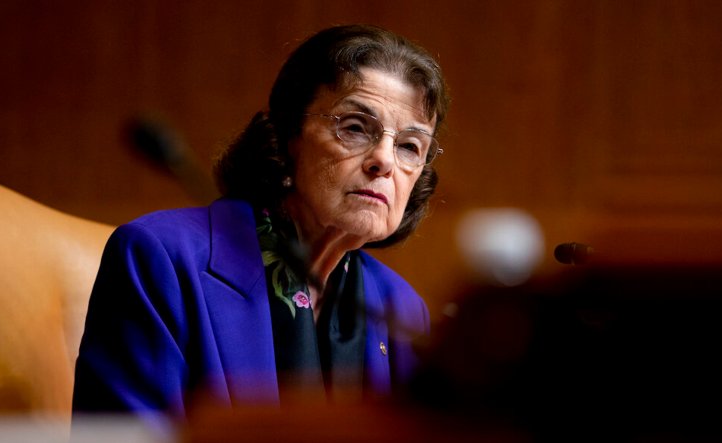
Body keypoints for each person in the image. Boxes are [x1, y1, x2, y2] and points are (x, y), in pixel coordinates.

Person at [72, 24, 449, 418]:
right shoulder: (161, 258)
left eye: (410, 146)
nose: (384, 161)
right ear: (287, 136)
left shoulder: (400, 308)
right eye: (355, 127)